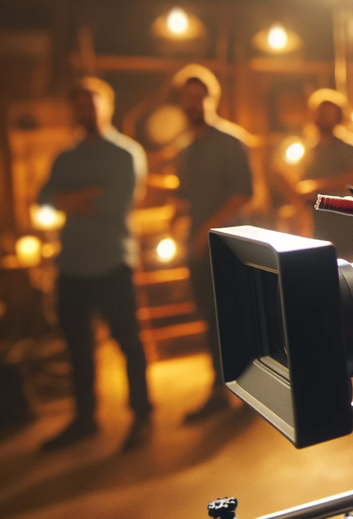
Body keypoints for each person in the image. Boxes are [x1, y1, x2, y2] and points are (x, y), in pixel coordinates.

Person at [38, 77, 152, 452]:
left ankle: (141, 413)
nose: (85, 110)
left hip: (111, 263)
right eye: (79, 104)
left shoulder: (125, 154)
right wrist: (84, 197)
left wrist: (69, 200)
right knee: (77, 348)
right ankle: (85, 417)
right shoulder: (65, 158)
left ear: (107, 105)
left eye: (92, 102)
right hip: (71, 265)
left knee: (127, 342)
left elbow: (114, 205)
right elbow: (44, 201)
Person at [171, 64, 254, 423]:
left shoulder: (232, 141)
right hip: (198, 250)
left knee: (238, 317)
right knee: (210, 319)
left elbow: (243, 193)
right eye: (187, 97)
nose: (193, 103)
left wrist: (208, 228)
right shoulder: (184, 151)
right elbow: (185, 196)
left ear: (211, 98)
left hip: (229, 247)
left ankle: (253, 390)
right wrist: (176, 222)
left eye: (198, 96)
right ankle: (220, 390)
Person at [292, 89, 353, 259]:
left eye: (328, 113)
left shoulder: (349, 147)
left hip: (343, 221)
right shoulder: (310, 149)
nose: (323, 117)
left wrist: (317, 185)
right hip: (317, 222)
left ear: (338, 116)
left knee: (348, 267)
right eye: (320, 113)